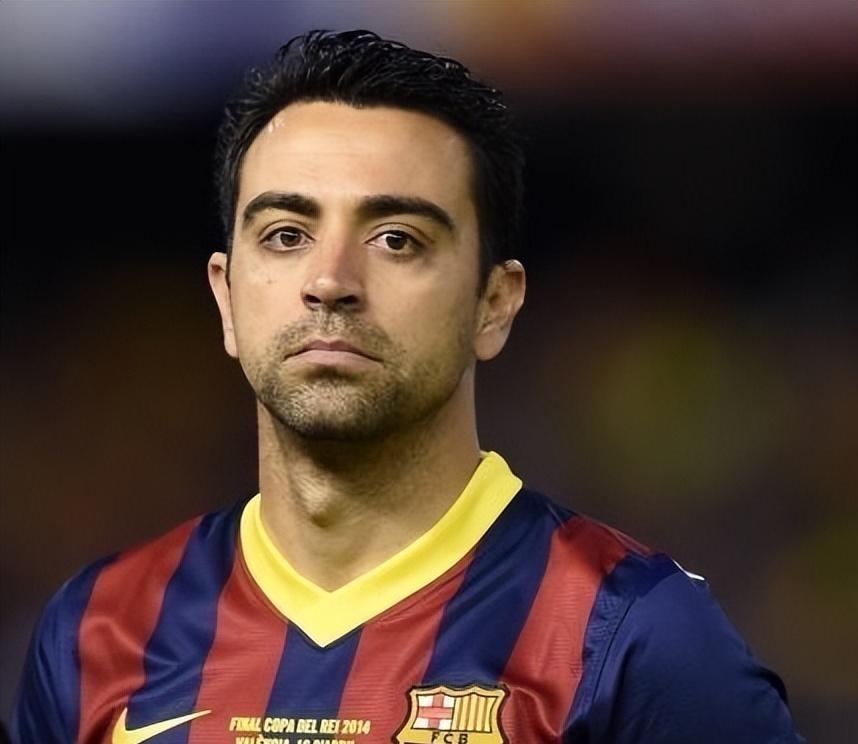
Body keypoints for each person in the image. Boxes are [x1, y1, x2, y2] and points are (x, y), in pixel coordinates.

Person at [12, 30, 803, 744]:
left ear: (494, 305)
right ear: (226, 297)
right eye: (286, 235)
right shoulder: (98, 631)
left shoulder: (633, 638)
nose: (330, 280)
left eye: (397, 239)